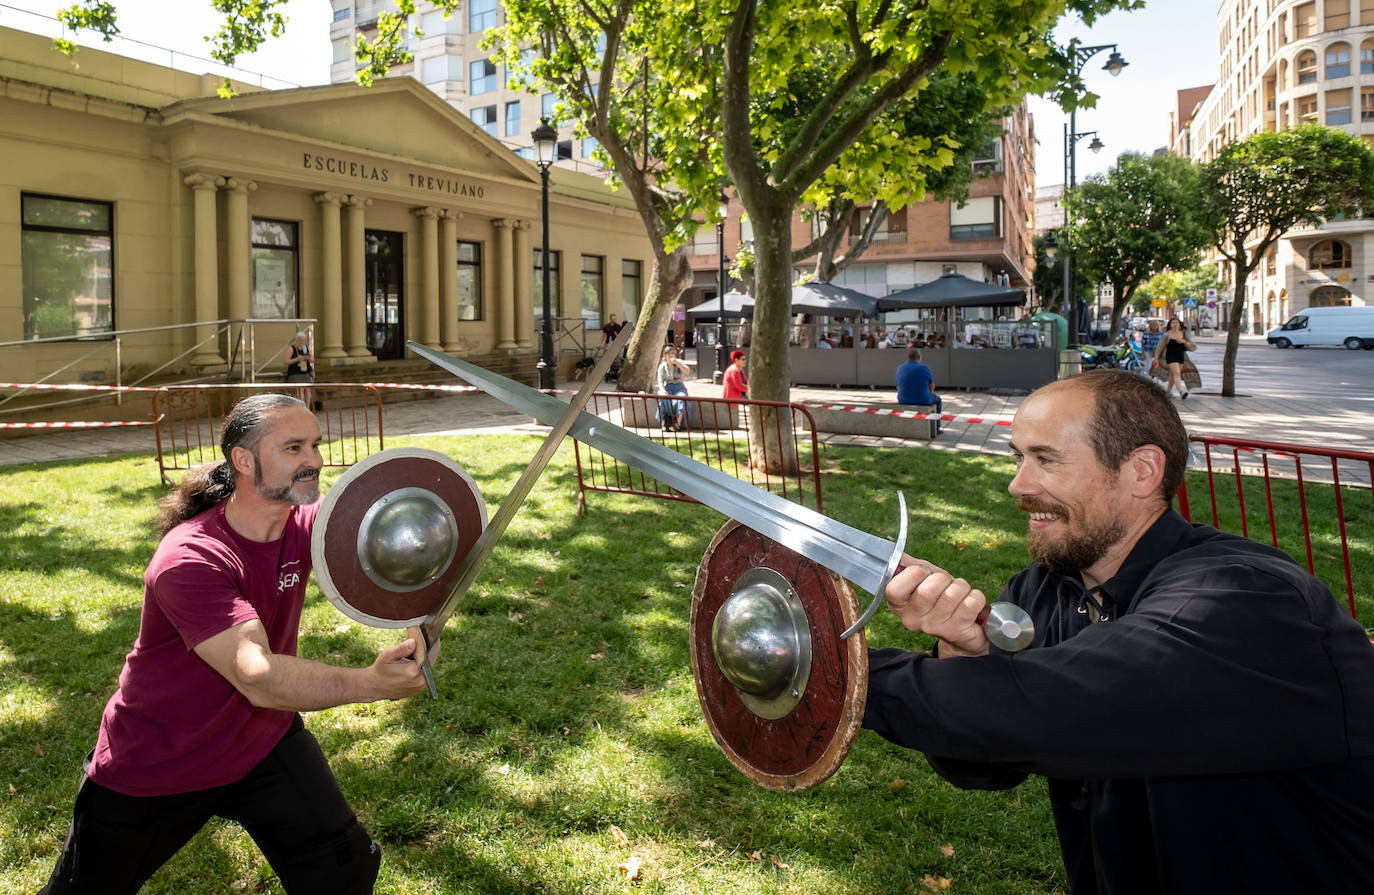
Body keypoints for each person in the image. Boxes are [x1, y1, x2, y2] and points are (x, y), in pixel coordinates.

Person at [863, 370, 1374, 894]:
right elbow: (986, 758)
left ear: (1142, 471)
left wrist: (846, 674)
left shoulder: (1246, 599)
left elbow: (1054, 706)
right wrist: (962, 652)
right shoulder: (1043, 591)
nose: (1018, 484)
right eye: (1018, 457)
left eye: (1046, 459)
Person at [39, 393, 432, 895]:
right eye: (293, 448)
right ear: (243, 461)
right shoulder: (191, 558)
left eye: (315, 444)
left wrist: (422, 625)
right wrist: (372, 684)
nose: (313, 459)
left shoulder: (304, 526)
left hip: (260, 740)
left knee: (343, 868)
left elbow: (400, 550)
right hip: (160, 758)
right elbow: (258, 675)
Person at [894, 349, 941, 432]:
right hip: (923, 399)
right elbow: (931, 384)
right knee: (938, 400)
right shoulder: (924, 367)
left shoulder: (900, 367)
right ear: (919, 357)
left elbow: (898, 386)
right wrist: (931, 393)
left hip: (903, 399)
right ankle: (937, 427)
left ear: (908, 357)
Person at [1154, 317, 1197, 399]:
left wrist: (1183, 341)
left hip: (1181, 356)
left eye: (1177, 323)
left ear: (1180, 325)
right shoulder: (1167, 335)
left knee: (1173, 375)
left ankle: (1168, 391)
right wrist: (1156, 358)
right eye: (1173, 323)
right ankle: (1181, 391)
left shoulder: (1183, 334)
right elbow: (1159, 347)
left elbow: (1191, 345)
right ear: (1170, 325)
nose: (1175, 324)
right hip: (1170, 356)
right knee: (1177, 373)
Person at [656, 344, 692, 430]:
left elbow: (687, 371)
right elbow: (660, 380)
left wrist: (677, 363)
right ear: (665, 355)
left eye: (672, 353)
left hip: (679, 387)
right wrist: (663, 390)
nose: (671, 355)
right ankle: (664, 423)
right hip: (667, 387)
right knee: (662, 396)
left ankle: (677, 423)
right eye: (668, 353)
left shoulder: (679, 362)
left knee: (681, 398)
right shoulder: (662, 366)